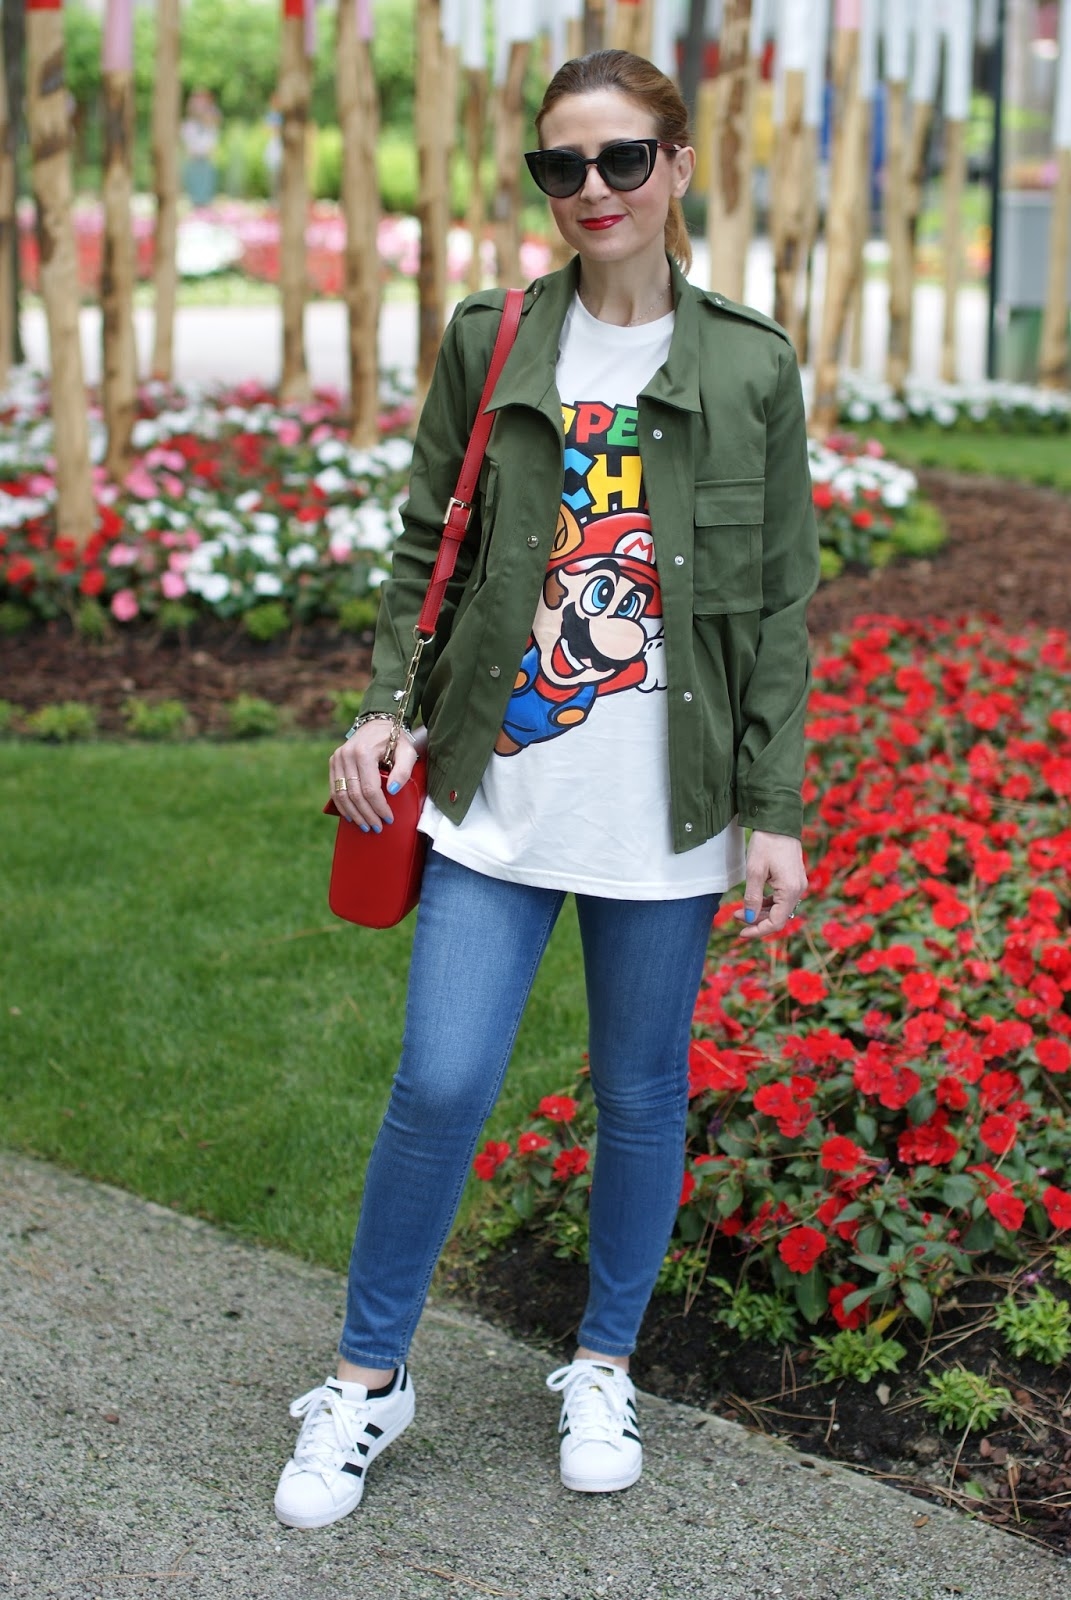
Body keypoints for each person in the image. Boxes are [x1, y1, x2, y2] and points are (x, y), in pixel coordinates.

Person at [274, 48, 818, 1529]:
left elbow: (778, 606)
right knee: (440, 1081)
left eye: (623, 158)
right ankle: (367, 1378)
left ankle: (602, 1363)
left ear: (678, 164)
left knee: (641, 1094)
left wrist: (774, 808)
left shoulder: (750, 365)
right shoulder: (495, 337)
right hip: (492, 795)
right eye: (561, 165)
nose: (593, 189)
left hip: (669, 805)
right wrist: (383, 710)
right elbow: (424, 546)